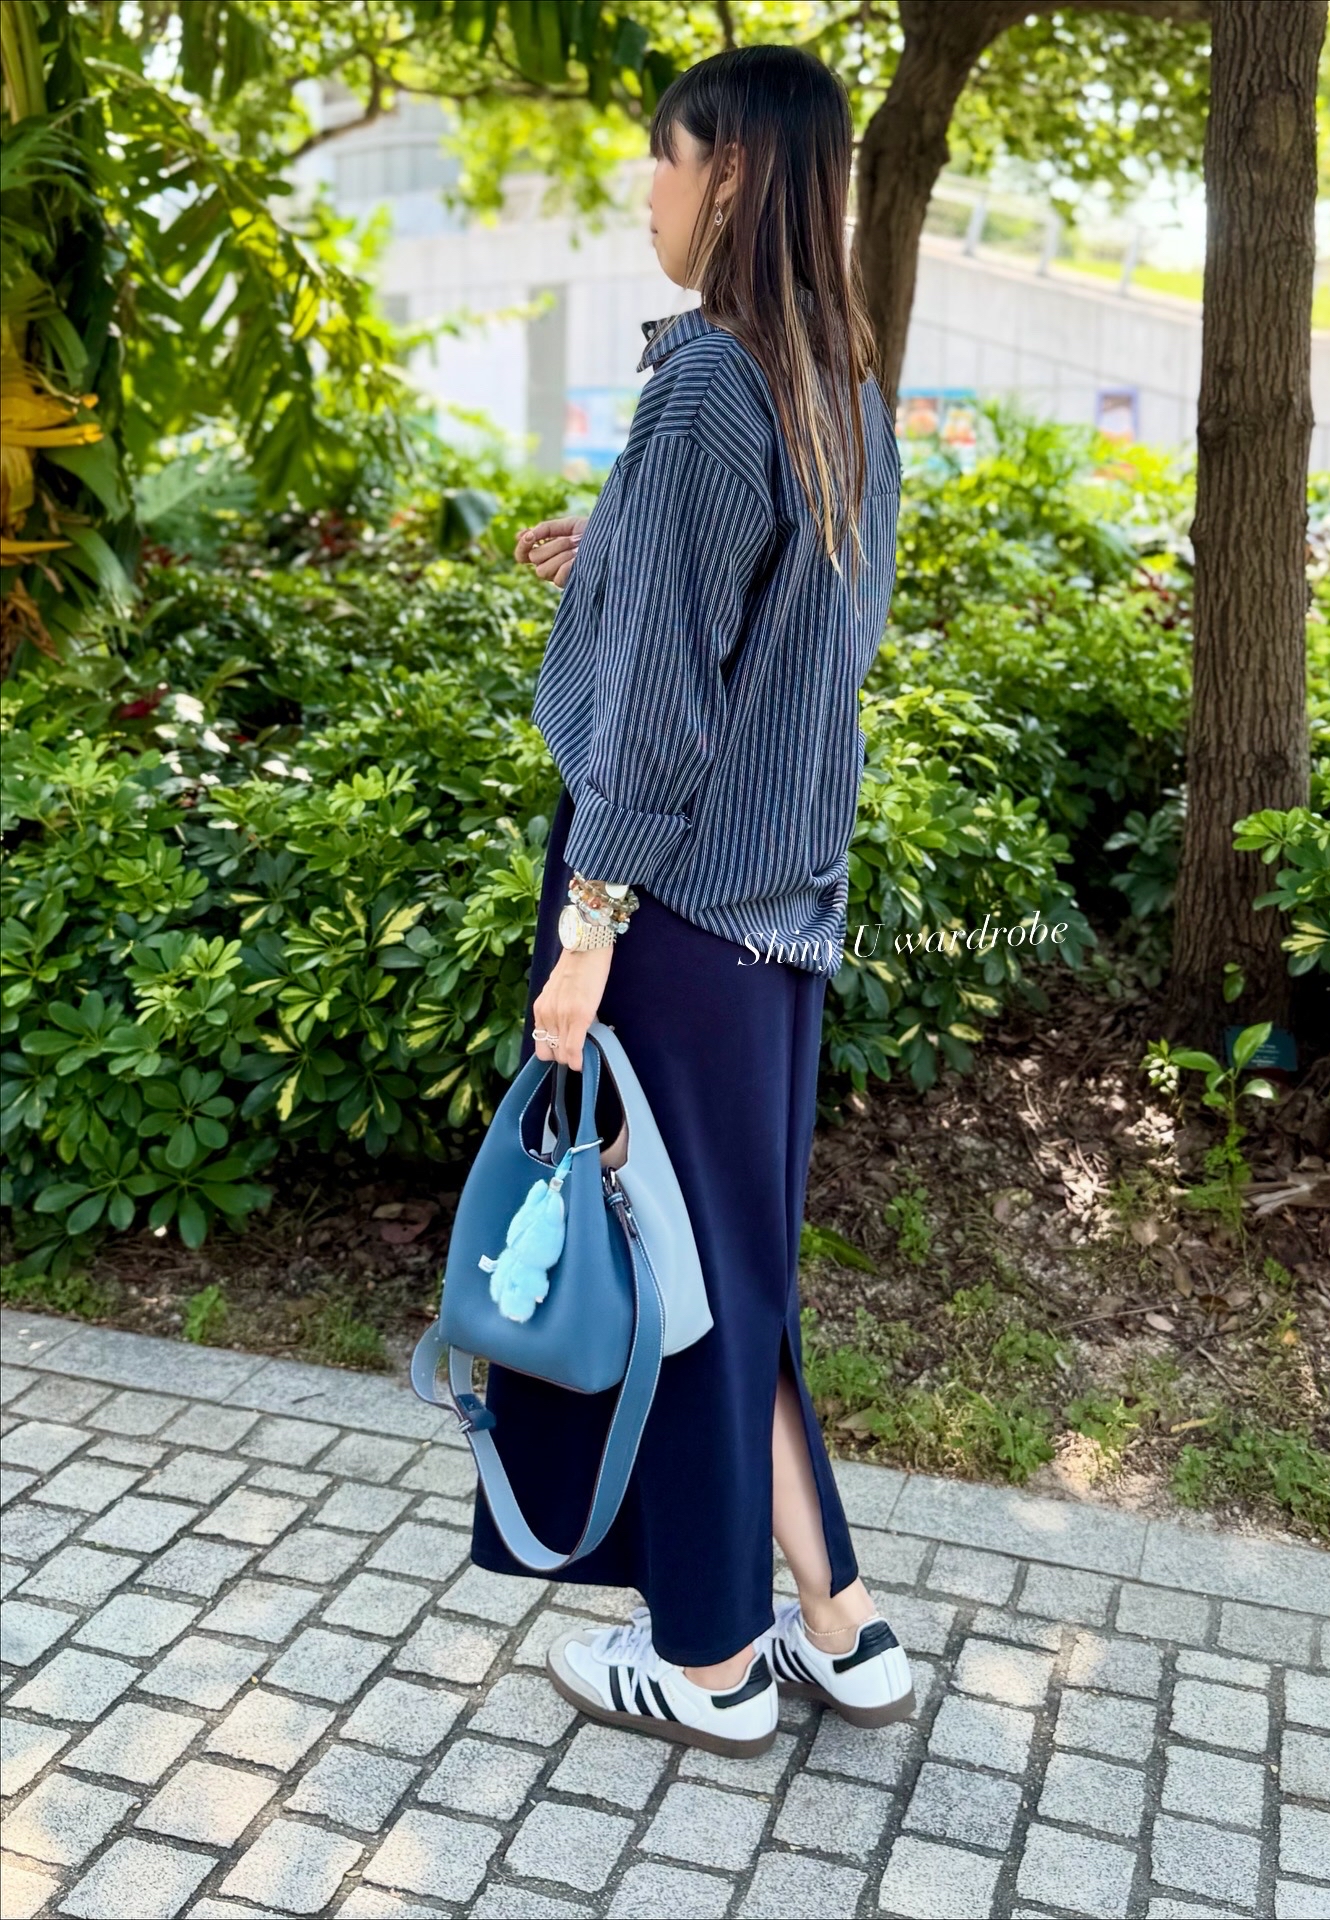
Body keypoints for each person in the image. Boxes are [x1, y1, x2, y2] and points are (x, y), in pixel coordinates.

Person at [482, 43, 910, 1760]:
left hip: (665, 914)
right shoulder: (836, 381)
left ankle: (713, 1662)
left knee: (671, 1282)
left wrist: (587, 926)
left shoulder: (710, 385)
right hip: (773, 919)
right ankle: (842, 1625)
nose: (645, 192)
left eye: (661, 160)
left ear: (726, 174)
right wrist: (618, 551)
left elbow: (660, 708)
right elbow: (803, 629)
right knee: (734, 1275)